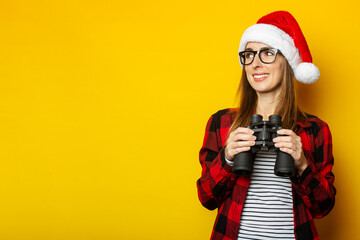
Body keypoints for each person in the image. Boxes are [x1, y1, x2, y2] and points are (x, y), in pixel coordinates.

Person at [196, 11, 335, 240]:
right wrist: (228, 157)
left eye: (267, 53)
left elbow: (324, 208)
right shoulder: (221, 123)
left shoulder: (315, 129)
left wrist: (302, 164)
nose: (256, 64)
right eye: (249, 55)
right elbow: (206, 198)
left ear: (287, 62)